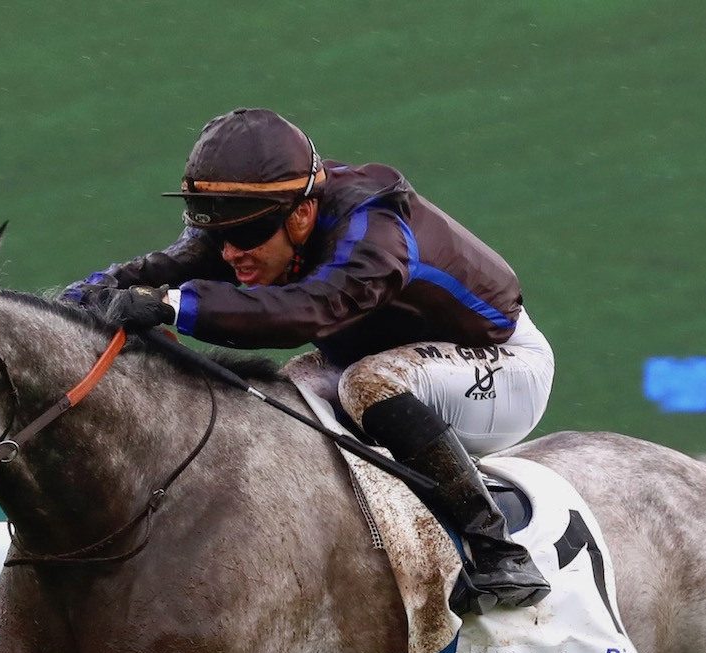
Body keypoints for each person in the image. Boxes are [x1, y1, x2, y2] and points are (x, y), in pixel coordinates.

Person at [62, 108, 554, 612]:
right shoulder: (263, 214)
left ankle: (498, 550)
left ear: (301, 213)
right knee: (286, 394)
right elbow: (171, 265)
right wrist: (82, 296)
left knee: (369, 383)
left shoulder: (374, 228)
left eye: (247, 236)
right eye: (219, 234)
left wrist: (170, 305)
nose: (231, 253)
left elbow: (308, 311)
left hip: (503, 364)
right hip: (397, 363)